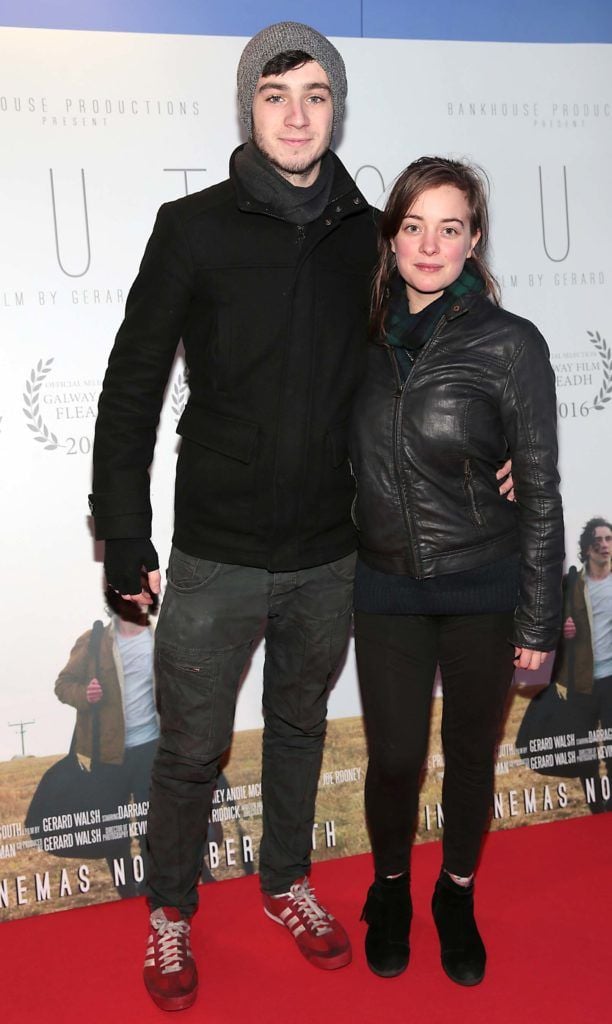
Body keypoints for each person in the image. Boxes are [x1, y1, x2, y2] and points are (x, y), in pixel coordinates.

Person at [89, 22, 380, 1011]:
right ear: (248, 107)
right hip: (213, 551)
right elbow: (131, 388)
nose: (296, 114)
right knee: (188, 749)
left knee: (299, 726)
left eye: (315, 94)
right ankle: (170, 908)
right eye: (275, 93)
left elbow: (420, 377)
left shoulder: (372, 236)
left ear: (337, 108)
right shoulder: (194, 227)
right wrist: (123, 534)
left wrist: (494, 454)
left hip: (329, 550)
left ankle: (286, 881)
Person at [349, 156, 564, 985]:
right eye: (413, 225)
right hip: (385, 587)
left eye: (450, 226)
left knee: (471, 756)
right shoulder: (356, 340)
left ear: (474, 239)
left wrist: (540, 622)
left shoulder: (512, 344)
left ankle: (457, 894)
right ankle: (394, 890)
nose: (430, 244)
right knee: (396, 757)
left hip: (483, 583)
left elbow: (540, 491)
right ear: (391, 237)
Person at [55, 581, 159, 898]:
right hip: (107, 755)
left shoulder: (160, 635)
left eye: (141, 592)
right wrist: (85, 694)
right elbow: (63, 685)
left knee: (151, 826)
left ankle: (153, 889)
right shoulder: (94, 640)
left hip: (151, 748)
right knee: (114, 834)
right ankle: (127, 895)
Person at [551, 517, 612, 812]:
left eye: (609, 539)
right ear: (587, 548)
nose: (604, 545)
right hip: (582, 682)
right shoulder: (573, 584)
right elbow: (554, 625)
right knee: (585, 752)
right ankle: (595, 808)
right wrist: (563, 628)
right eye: (598, 540)